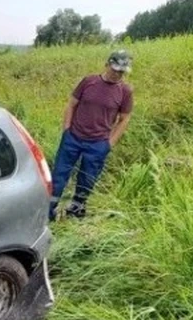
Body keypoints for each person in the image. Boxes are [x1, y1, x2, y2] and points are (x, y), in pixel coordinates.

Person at [49, 50, 133, 220]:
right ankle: (47, 212)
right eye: (115, 69)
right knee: (58, 176)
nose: (118, 74)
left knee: (86, 181)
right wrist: (66, 130)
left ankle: (75, 214)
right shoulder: (89, 82)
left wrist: (109, 143)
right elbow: (71, 105)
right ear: (107, 64)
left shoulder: (125, 91)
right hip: (73, 138)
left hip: (97, 144)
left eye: (122, 71)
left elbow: (124, 119)